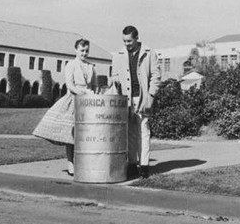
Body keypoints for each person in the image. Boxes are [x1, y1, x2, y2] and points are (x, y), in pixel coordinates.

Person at [33, 38, 96, 176]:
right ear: (76, 50)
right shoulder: (71, 65)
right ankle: (71, 163)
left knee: (87, 134)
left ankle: (84, 162)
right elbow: (70, 85)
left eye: (86, 51)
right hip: (74, 100)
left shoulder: (91, 67)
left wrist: (92, 94)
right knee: (71, 134)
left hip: (89, 103)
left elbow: (94, 86)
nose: (84, 53)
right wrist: (84, 92)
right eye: (82, 50)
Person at [111, 26, 160, 179]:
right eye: (124, 41)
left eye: (130, 41)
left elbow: (156, 76)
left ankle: (144, 166)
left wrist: (151, 96)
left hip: (143, 97)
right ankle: (132, 164)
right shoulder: (118, 55)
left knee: (143, 131)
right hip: (125, 99)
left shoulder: (149, 53)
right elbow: (114, 74)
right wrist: (116, 80)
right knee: (130, 133)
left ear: (137, 38)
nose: (127, 44)